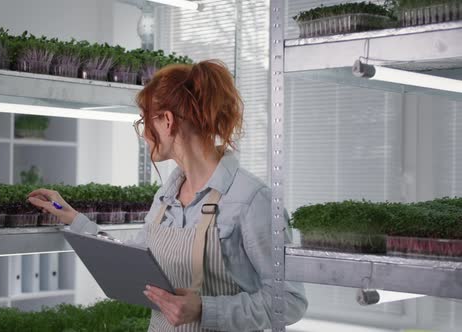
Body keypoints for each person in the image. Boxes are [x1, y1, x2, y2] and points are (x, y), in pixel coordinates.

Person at [27, 60, 308, 331]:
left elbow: (291, 300)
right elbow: (134, 261)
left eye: (144, 122)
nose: (144, 135)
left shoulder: (251, 199)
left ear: (168, 121)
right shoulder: (165, 197)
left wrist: (205, 309)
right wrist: (75, 219)